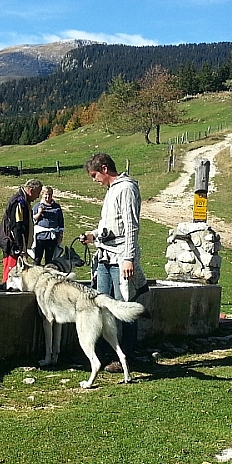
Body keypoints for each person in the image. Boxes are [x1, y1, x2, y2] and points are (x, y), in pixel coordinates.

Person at [80, 153, 147, 371]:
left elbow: (131, 226)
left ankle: (126, 357)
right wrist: (93, 236)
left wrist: (128, 258)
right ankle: (101, 355)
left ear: (105, 169)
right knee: (100, 304)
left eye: (94, 175)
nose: (94, 180)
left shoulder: (126, 189)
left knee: (124, 307)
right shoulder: (112, 191)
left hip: (120, 258)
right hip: (105, 256)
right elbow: (110, 226)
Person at [0, 179, 42, 284]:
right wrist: (21, 248)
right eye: (38, 193)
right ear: (31, 190)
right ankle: (5, 297)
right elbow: (17, 227)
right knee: (11, 274)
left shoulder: (25, 201)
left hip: (18, 245)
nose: (38, 197)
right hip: (12, 245)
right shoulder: (19, 202)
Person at [32, 186, 64, 265]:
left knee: (49, 259)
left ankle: (48, 275)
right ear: (42, 195)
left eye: (49, 194)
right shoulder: (37, 206)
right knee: (37, 258)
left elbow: (61, 222)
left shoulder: (56, 207)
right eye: (46, 194)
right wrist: (39, 213)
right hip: (40, 236)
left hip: (52, 236)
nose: (48, 196)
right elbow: (32, 220)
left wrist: (60, 235)